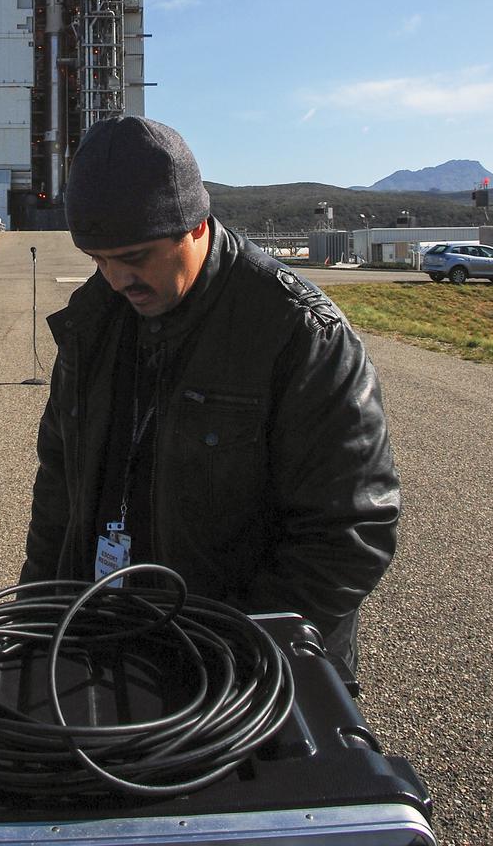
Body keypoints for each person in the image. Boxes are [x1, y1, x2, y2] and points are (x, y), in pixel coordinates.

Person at [21, 116, 400, 672]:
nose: (118, 280)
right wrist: (35, 622)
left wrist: (234, 660)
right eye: (99, 260)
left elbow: (349, 529)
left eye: (136, 257)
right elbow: (59, 485)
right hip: (109, 641)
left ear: (195, 227)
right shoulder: (93, 322)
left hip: (248, 672)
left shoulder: (298, 333)